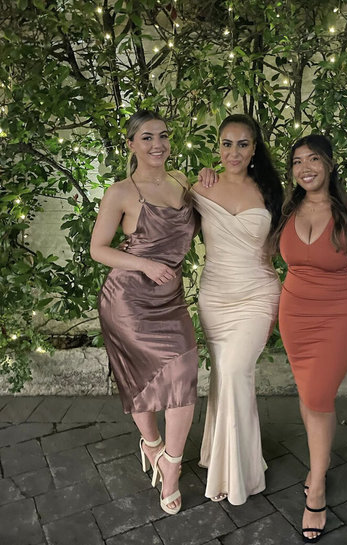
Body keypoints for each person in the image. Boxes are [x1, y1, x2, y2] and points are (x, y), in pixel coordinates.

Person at [90, 110, 214, 515]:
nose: (157, 144)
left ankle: (171, 465)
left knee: (183, 375)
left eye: (163, 135)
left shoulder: (181, 181)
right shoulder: (121, 192)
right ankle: (152, 444)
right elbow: (98, 249)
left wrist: (208, 179)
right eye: (147, 137)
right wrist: (144, 264)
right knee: (138, 378)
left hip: (170, 299)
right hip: (127, 301)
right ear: (131, 144)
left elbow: (208, 214)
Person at [277, 134, 347, 542]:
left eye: (313, 159)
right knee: (309, 395)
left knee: (319, 398)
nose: (305, 168)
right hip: (294, 316)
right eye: (297, 161)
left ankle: (318, 487)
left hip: (337, 317)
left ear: (330, 163)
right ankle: (317, 465)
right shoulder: (286, 208)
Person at [192, 114, 284, 505]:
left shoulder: (270, 191)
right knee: (223, 376)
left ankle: (239, 473)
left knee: (234, 371)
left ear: (254, 148)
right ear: (218, 147)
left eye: (242, 144)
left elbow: (289, 242)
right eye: (226, 144)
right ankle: (222, 460)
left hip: (257, 295)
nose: (234, 152)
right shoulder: (200, 187)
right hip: (215, 296)